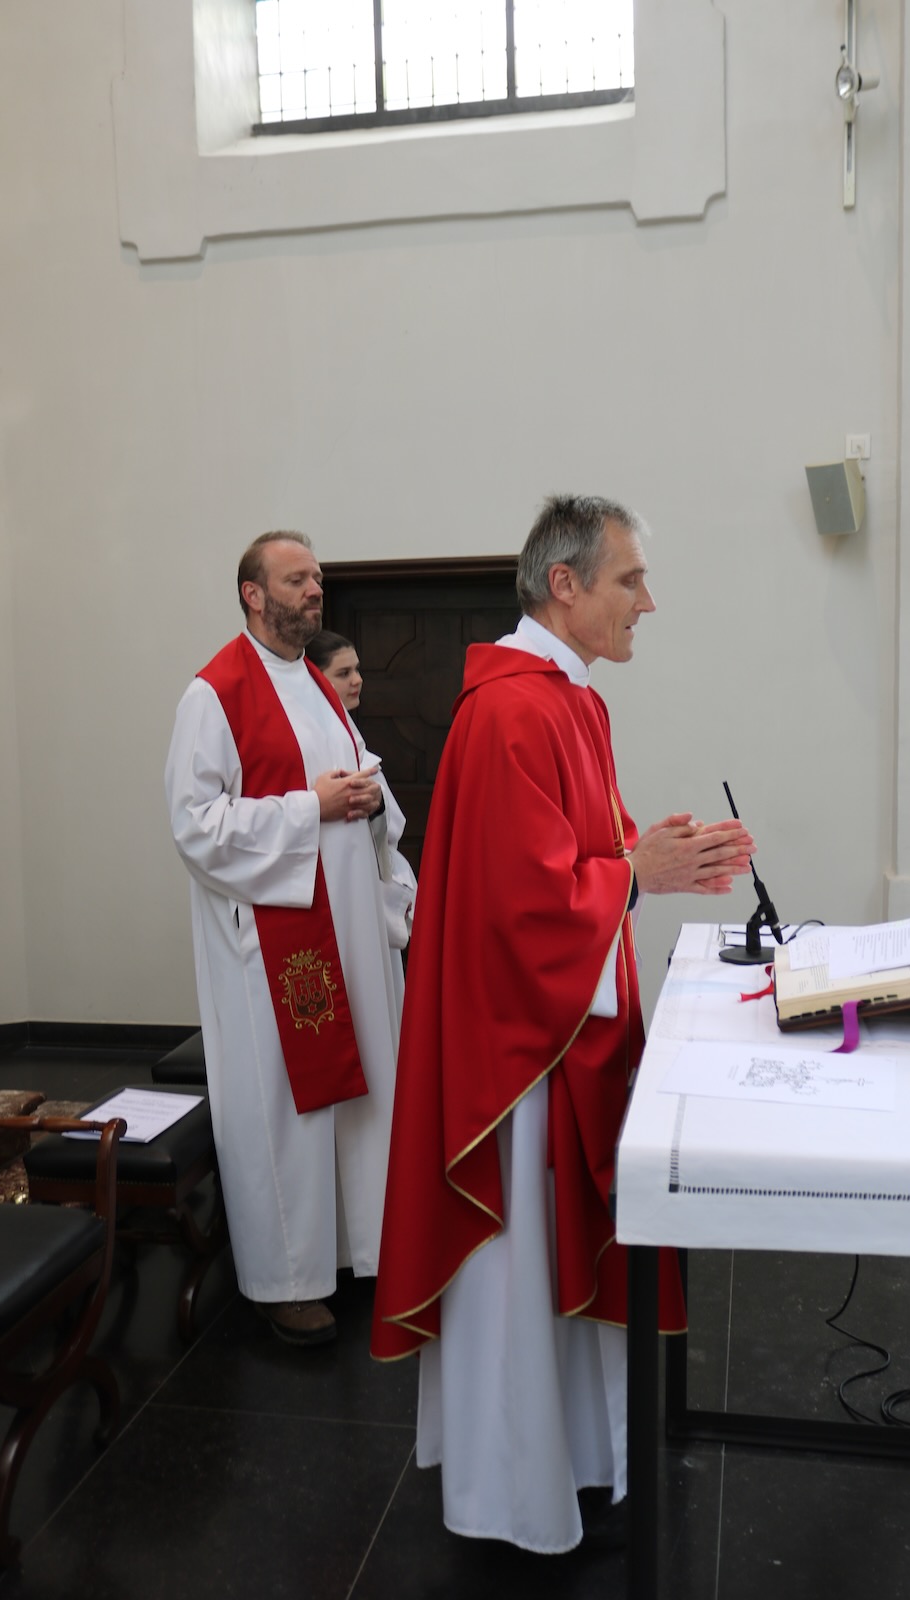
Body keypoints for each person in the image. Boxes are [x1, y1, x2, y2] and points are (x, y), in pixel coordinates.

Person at [370, 495, 754, 1552]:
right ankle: (510, 1487)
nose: (646, 603)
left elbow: (578, 853)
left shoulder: (567, 699)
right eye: (630, 580)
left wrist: (650, 857)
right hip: (518, 1060)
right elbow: (522, 906)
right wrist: (633, 873)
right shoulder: (513, 711)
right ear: (564, 584)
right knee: (518, 1265)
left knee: (554, 1264)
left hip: (557, 1029)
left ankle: (577, 1455)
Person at [165, 532, 400, 1347]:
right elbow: (194, 826)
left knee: (360, 1094)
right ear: (252, 594)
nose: (314, 590)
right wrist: (310, 810)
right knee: (284, 1112)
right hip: (273, 944)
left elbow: (356, 775)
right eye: (296, 579)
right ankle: (287, 1279)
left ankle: (359, 1248)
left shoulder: (317, 686)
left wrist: (370, 797)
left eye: (317, 578)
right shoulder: (214, 694)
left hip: (349, 929)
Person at [304, 630, 417, 999]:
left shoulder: (349, 733)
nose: (357, 680)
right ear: (315, 678)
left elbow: (391, 826)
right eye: (343, 673)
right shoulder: (313, 741)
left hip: (368, 885)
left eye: (357, 669)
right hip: (337, 898)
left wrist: (377, 803)